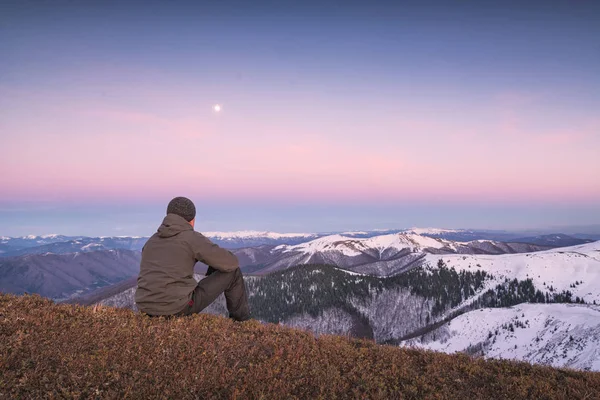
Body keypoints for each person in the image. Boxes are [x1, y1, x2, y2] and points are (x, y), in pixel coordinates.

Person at [135, 196, 250, 321]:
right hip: (176, 308)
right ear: (192, 220)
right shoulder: (191, 238)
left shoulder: (151, 241)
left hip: (144, 308)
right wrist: (214, 264)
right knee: (233, 273)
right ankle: (241, 323)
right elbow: (231, 262)